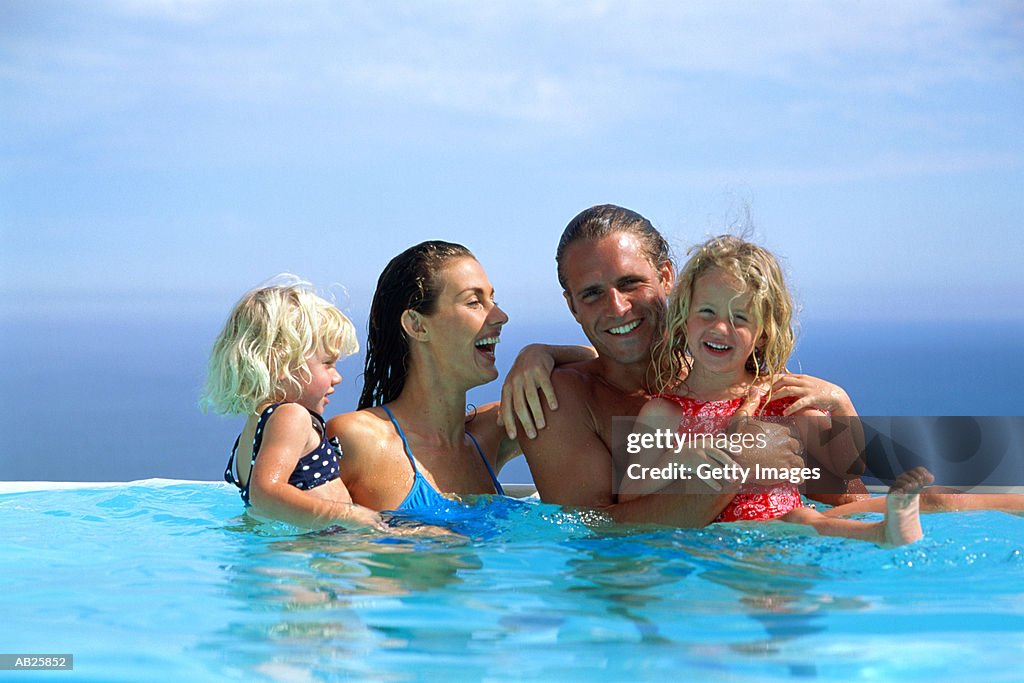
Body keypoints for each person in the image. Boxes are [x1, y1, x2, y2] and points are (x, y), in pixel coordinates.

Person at [505, 205, 820, 527]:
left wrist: (841, 405)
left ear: (666, 276)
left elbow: (855, 501)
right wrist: (736, 464)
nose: (617, 307)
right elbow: (589, 533)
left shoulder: (729, 374)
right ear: (572, 305)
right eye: (592, 293)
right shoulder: (558, 399)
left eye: (630, 283)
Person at [621, 235, 932, 545]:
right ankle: (883, 532)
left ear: (763, 334)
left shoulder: (778, 397)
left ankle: (885, 531)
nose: (719, 328)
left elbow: (844, 470)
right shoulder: (665, 411)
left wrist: (841, 403)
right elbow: (630, 493)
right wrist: (679, 457)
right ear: (683, 316)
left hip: (789, 539)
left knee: (802, 517)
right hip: (718, 542)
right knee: (799, 520)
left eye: (739, 318)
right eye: (706, 312)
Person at [326, 240, 591, 516]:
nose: (501, 316)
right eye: (474, 302)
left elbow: (609, 366)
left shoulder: (491, 434)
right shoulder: (358, 439)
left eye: (493, 300)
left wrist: (540, 353)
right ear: (417, 325)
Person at [202, 277, 384, 530]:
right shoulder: (291, 416)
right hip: (324, 547)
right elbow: (265, 495)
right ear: (281, 365)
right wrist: (345, 514)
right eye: (328, 363)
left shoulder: (255, 426)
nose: (337, 377)